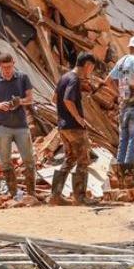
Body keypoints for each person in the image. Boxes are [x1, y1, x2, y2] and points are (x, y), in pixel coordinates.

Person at [0, 53, 36, 199]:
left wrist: (19, 102)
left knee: (28, 160)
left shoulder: (23, 78)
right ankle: (14, 194)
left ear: (14, 63)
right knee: (5, 161)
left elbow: (30, 99)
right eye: (4, 67)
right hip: (3, 126)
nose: (7, 70)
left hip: (21, 125)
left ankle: (31, 194)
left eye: (10, 67)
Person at [51, 52, 98, 205]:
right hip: (74, 127)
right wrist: (79, 118)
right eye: (92, 68)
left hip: (63, 127)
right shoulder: (74, 79)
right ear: (88, 65)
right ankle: (80, 197)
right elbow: (67, 99)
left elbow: (54, 98)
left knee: (70, 159)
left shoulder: (64, 78)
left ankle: (55, 196)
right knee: (83, 160)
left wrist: (62, 115)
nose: (91, 71)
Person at [106, 36, 134, 185]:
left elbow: (108, 80)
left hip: (123, 106)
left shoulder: (121, 61)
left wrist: (119, 94)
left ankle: (119, 175)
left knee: (123, 140)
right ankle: (129, 175)